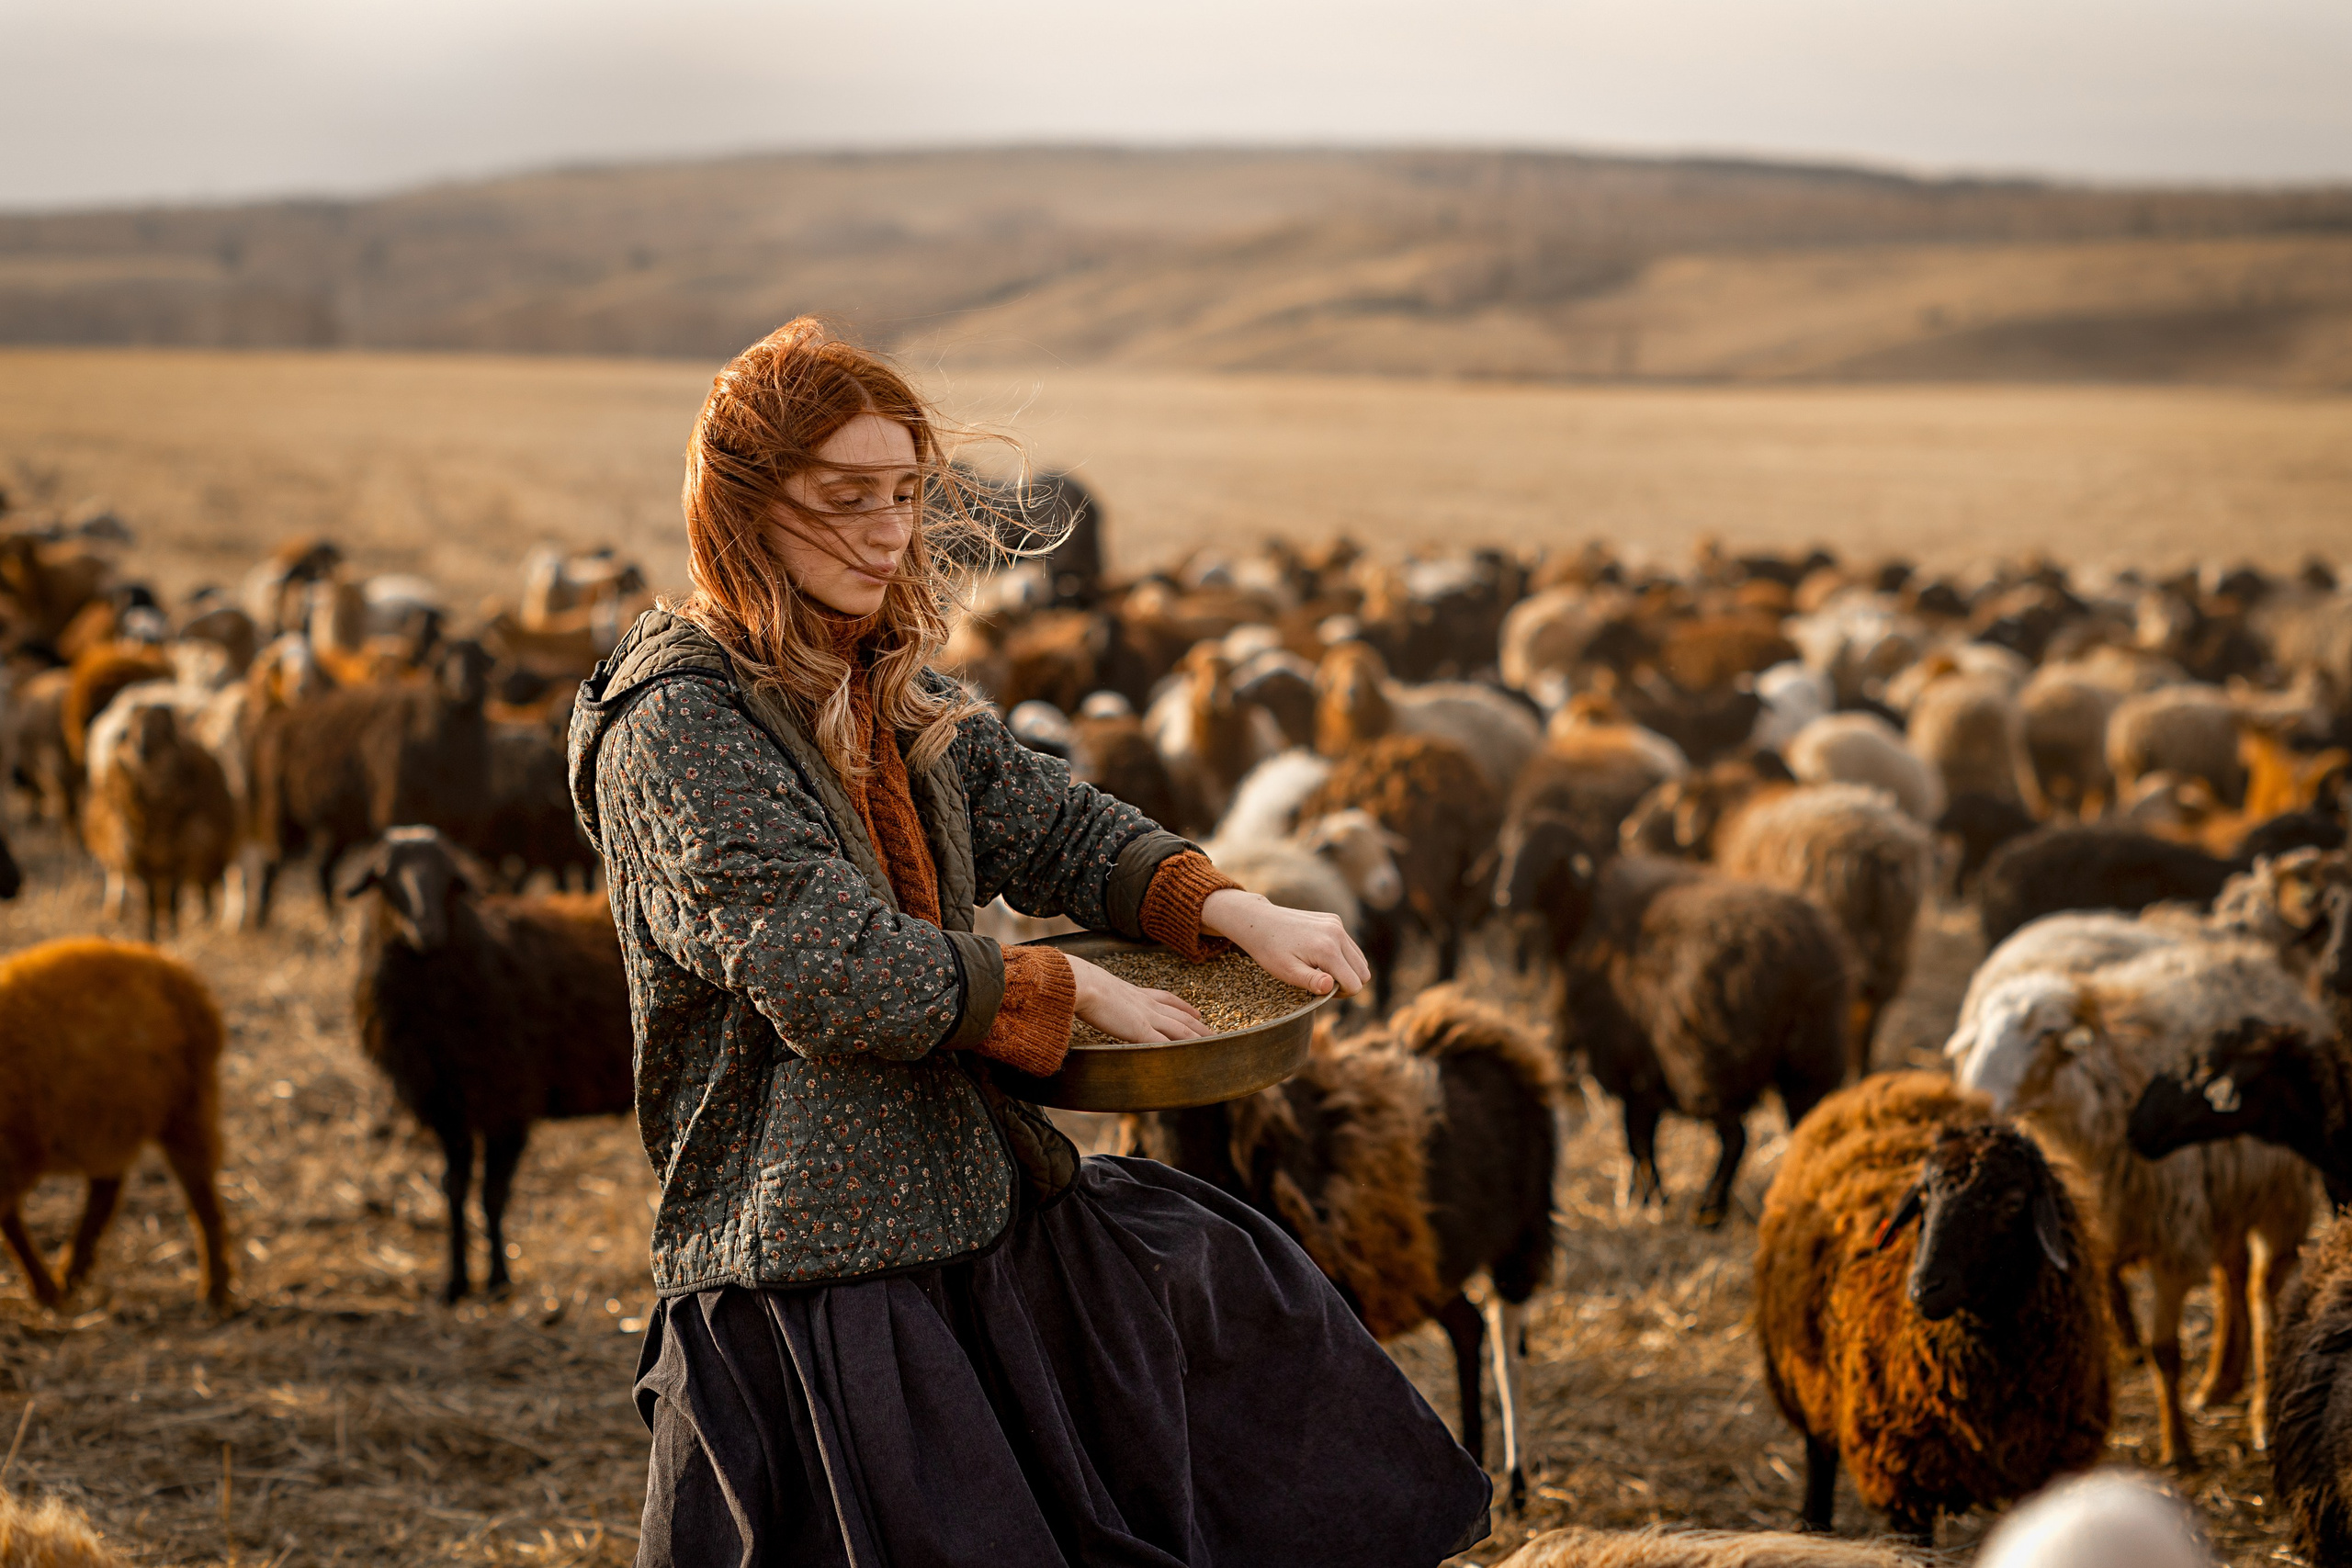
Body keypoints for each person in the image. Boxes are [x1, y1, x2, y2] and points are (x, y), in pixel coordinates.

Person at [565, 318, 1492, 1566]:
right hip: (816, 1271)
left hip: (978, 1200)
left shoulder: (888, 685)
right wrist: (1065, 992)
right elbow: (821, 967)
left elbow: (1046, 819)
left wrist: (1230, 907)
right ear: (741, 507)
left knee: (1247, 1309)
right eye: (847, 498)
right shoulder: (676, 726)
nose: (889, 531)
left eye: (904, 494)